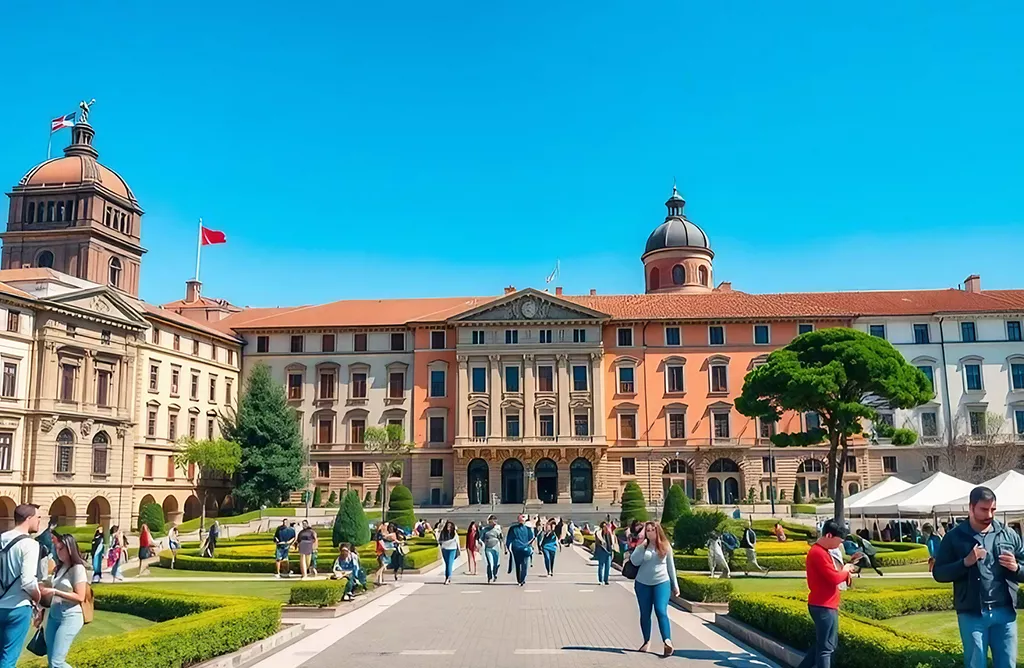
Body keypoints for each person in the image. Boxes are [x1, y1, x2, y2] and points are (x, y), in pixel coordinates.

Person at [933, 486, 1024, 668]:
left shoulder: (1008, 534)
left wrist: (1017, 568)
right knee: (976, 665)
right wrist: (965, 563)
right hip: (972, 613)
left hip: (1005, 613)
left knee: (1007, 665)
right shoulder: (954, 537)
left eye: (993, 509)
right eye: (984, 509)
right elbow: (939, 573)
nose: (989, 514)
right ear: (971, 507)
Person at [797, 519, 858, 668]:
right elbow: (834, 578)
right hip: (823, 605)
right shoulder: (818, 553)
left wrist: (845, 570)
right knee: (826, 648)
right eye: (839, 541)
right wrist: (845, 570)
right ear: (829, 536)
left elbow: (832, 575)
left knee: (824, 645)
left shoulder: (821, 552)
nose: (839, 545)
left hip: (825, 604)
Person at [0, 504, 42, 668]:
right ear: (29, 518)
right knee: (8, 659)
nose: (40, 521)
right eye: (38, 517)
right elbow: (28, 581)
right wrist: (37, 597)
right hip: (18, 607)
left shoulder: (1, 538)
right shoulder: (30, 544)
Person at [629, 522, 680, 657]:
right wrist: (642, 549)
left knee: (660, 610)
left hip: (661, 582)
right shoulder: (642, 546)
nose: (650, 532)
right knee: (645, 613)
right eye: (648, 530)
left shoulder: (665, 545)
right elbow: (634, 561)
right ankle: (646, 641)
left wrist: (675, 585)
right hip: (642, 583)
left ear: (658, 531)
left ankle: (667, 641)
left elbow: (671, 567)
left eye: (653, 530)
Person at [37, 533, 87, 668]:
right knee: (51, 661)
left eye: (61, 549)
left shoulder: (78, 569)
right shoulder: (59, 567)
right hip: (54, 614)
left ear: (70, 549)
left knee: (57, 662)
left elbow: (80, 597)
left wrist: (55, 592)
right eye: (57, 549)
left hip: (69, 616)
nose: (58, 552)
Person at [505, 514, 535, 587]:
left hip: (525, 548)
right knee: (518, 564)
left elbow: (532, 538)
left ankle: (522, 578)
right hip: (516, 548)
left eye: (523, 519)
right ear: (518, 520)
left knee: (525, 564)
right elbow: (509, 538)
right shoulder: (513, 528)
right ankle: (519, 579)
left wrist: (530, 546)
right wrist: (508, 547)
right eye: (520, 519)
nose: (521, 521)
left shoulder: (528, 529)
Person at [479, 516, 503, 584]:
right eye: (490, 522)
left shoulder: (498, 529)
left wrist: (504, 548)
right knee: (490, 563)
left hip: (496, 547)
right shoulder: (485, 530)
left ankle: (495, 574)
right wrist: (482, 544)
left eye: (494, 521)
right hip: (488, 548)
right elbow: (480, 538)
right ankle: (489, 577)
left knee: (496, 563)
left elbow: (501, 538)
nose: (492, 523)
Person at [436, 521, 459, 585]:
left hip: (452, 549)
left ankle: (448, 577)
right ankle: (447, 577)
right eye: (447, 526)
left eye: (450, 526)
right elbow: (439, 540)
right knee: (447, 564)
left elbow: (457, 542)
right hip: (445, 549)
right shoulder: (443, 533)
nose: (448, 528)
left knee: (450, 563)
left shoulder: (454, 533)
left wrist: (458, 550)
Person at [593, 521, 615, 586]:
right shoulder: (599, 534)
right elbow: (597, 543)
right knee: (601, 566)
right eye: (603, 526)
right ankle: (600, 580)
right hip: (602, 551)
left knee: (608, 566)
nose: (605, 528)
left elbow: (613, 542)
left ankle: (606, 580)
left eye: (606, 526)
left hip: (609, 552)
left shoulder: (609, 534)